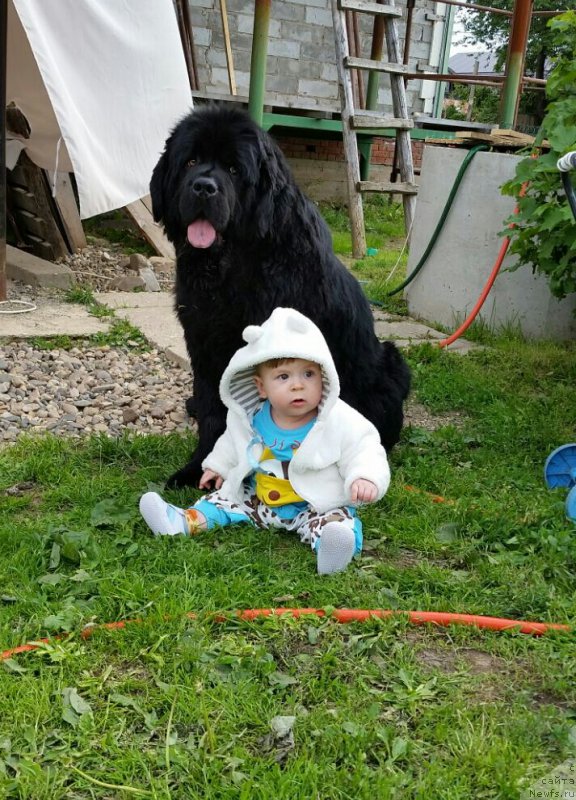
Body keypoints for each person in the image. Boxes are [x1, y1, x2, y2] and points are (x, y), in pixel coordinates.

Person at [139, 308, 391, 574]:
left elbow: (364, 448)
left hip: (315, 504)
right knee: (221, 501)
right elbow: (233, 442)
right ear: (261, 387)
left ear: (324, 375)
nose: (298, 385)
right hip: (259, 501)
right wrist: (218, 466)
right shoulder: (252, 417)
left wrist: (365, 477)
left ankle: (333, 549)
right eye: (283, 376)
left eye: (308, 374)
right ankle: (182, 521)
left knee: (338, 521)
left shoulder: (337, 419)